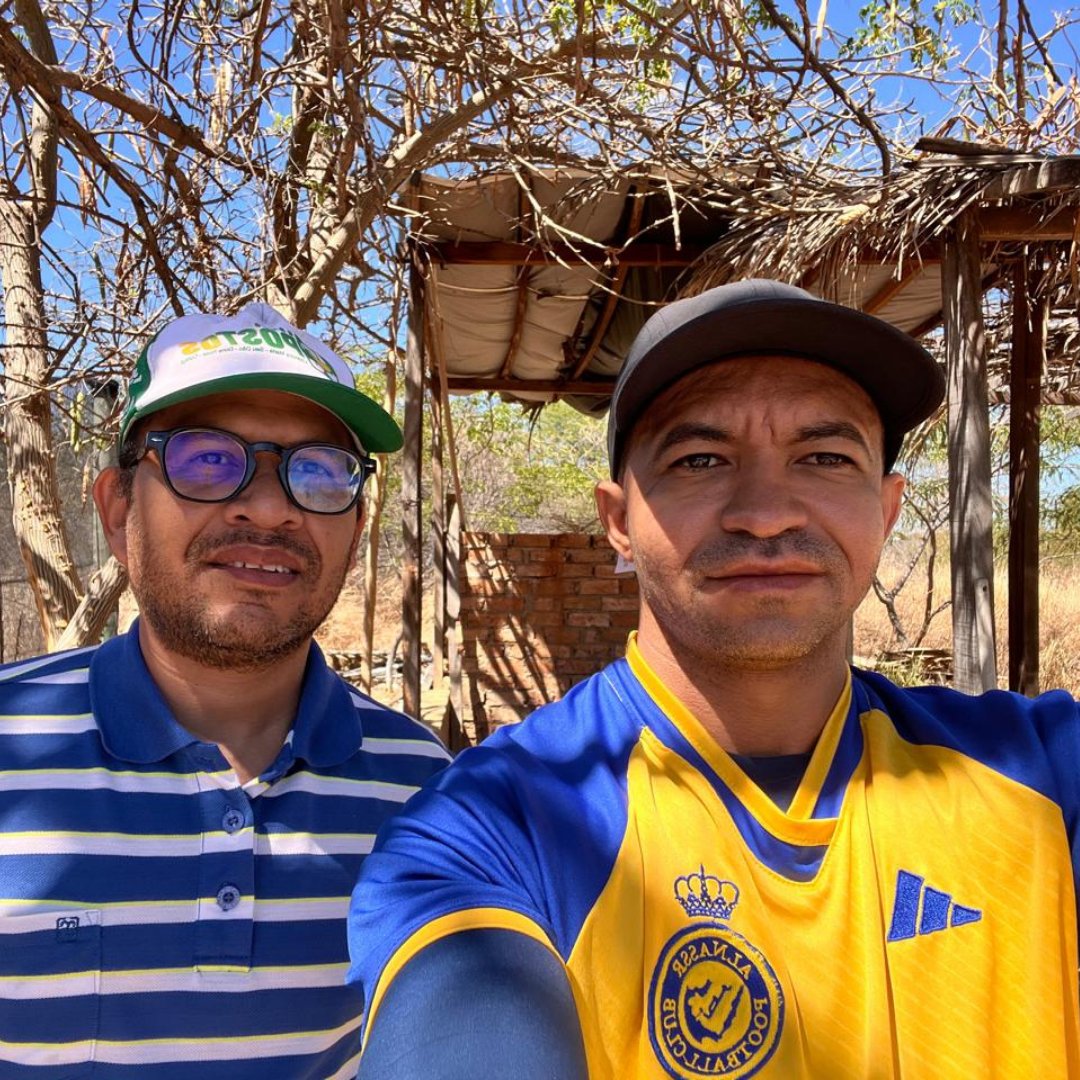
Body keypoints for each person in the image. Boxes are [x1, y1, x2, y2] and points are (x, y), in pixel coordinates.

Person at [347, 279, 1080, 1079]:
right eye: (700, 459)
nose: (766, 512)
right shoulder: (495, 828)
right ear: (618, 521)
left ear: (888, 508)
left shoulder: (1042, 772)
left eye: (825, 458)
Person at [0, 304, 450, 1079]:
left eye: (319, 472)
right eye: (206, 460)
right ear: (117, 511)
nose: (270, 509)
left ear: (356, 528)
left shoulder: (424, 790)